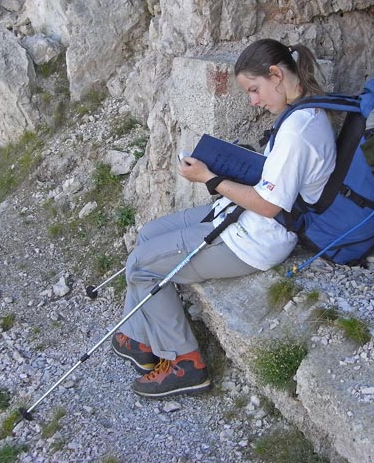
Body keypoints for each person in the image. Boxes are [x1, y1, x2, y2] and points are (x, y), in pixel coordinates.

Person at [111, 38, 337, 398]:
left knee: (141, 265)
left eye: (254, 89)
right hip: (242, 218)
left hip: (256, 240)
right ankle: (140, 341)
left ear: (276, 75)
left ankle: (186, 363)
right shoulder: (304, 112)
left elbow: (269, 206)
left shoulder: (298, 131)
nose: (254, 101)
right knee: (151, 233)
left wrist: (211, 178)